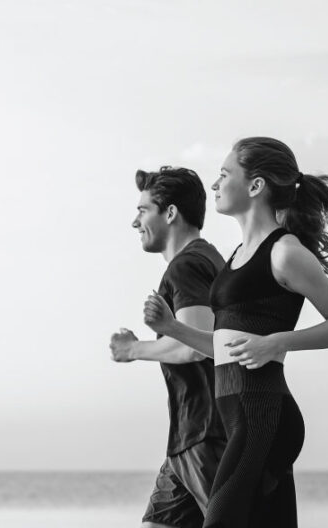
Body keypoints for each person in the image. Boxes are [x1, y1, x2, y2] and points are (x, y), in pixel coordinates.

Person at [143, 138, 328, 528]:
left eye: (224, 174)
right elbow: (226, 349)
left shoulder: (284, 252)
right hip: (241, 418)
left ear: (255, 186)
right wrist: (172, 328)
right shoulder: (235, 256)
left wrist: (277, 342)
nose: (215, 184)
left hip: (263, 416)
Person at [110, 166, 227, 528]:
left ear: (171, 213)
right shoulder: (207, 259)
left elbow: (197, 345)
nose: (135, 222)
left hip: (205, 435)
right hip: (188, 439)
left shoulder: (188, 266)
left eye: (143, 210)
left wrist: (134, 350)